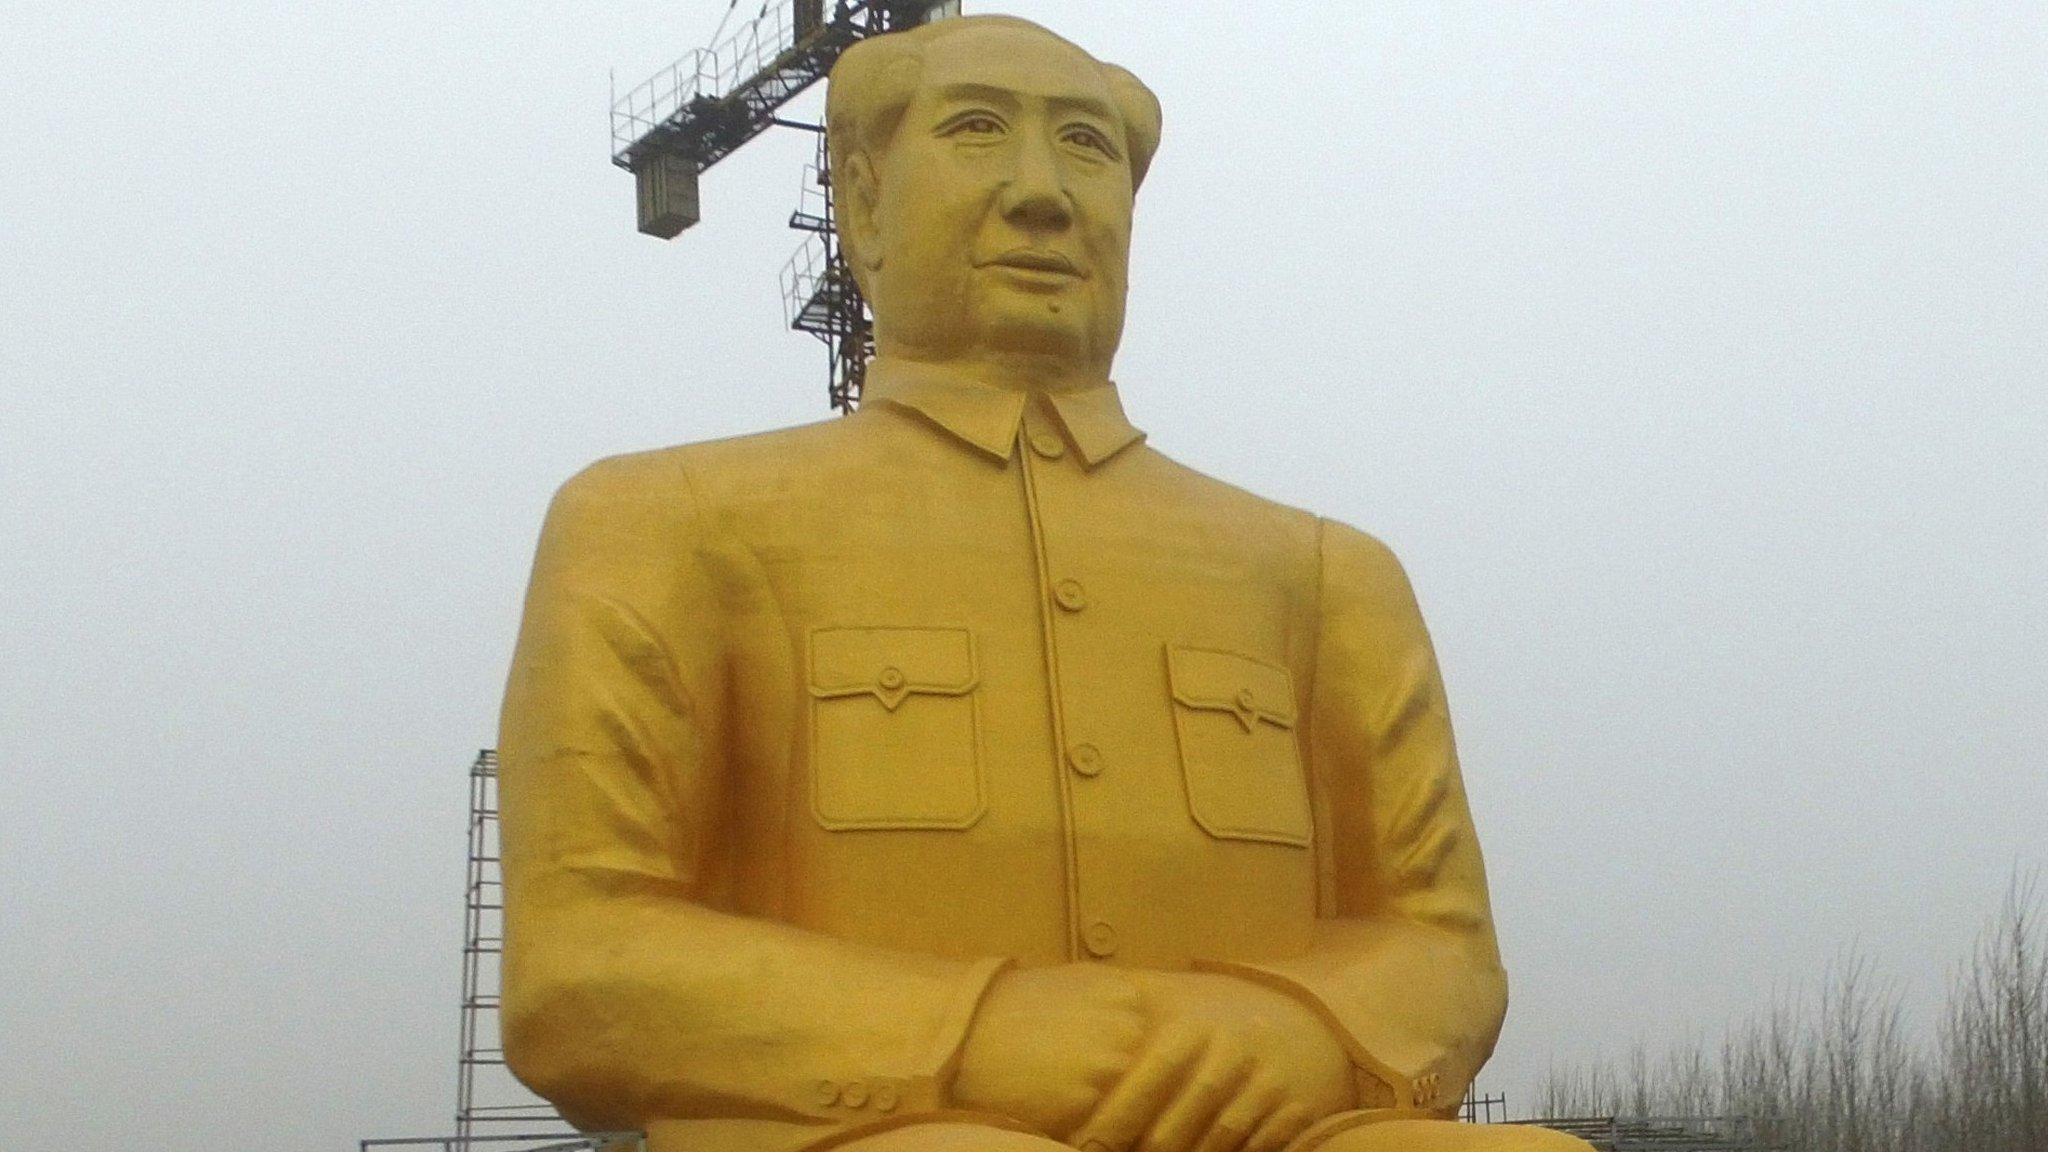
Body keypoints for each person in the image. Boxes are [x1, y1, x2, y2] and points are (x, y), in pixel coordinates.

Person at [499, 15, 1589, 1152]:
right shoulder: (663, 522)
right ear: (863, 202)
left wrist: (1301, 1028)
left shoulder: (1322, 575)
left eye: (1084, 147)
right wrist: (972, 1034)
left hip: (1268, 1125)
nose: (1041, 195)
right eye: (976, 132)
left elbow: (1444, 944)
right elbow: (576, 957)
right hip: (858, 1126)